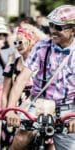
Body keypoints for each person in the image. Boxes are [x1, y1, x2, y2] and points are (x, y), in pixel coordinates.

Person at [5, 5, 75, 150]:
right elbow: (21, 79)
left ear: (73, 30)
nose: (53, 30)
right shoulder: (42, 46)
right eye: (51, 25)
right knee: (20, 139)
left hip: (68, 109)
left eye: (59, 27)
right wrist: (11, 109)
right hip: (39, 105)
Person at [0, 24, 47, 149]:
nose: (18, 45)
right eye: (15, 43)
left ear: (31, 41)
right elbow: (4, 93)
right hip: (14, 115)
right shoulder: (12, 66)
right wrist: (6, 113)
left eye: (20, 41)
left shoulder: (43, 66)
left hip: (36, 113)